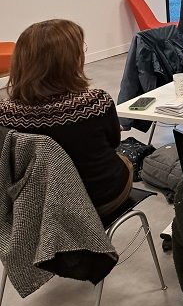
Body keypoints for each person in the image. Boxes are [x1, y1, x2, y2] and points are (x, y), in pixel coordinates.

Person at [0, 19, 133, 221]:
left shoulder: (4, 113)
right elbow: (114, 142)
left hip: (35, 208)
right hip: (100, 199)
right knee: (126, 161)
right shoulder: (94, 102)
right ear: (71, 60)